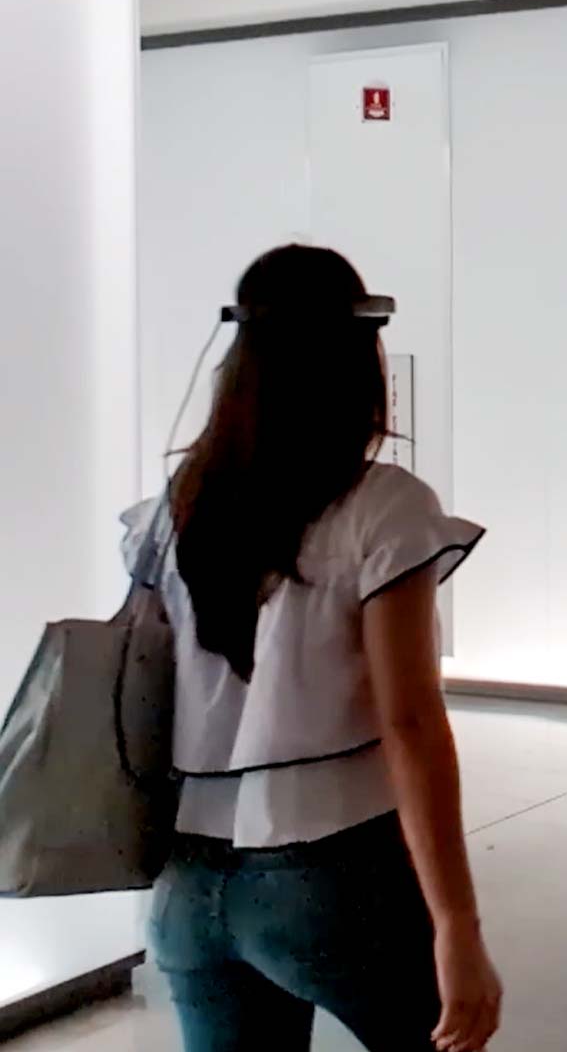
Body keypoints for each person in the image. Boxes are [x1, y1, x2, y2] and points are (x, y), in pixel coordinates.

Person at [122, 245, 502, 1052]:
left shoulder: (178, 508)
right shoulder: (383, 508)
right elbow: (410, 725)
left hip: (187, 884)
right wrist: (457, 926)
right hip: (332, 875)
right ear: (358, 356)